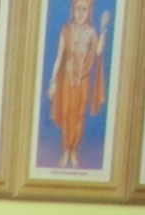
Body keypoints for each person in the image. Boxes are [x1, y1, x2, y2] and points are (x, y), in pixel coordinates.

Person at [46, 0, 108, 166]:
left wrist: (103, 29)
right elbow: (59, 56)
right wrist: (52, 81)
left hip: (83, 80)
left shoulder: (91, 32)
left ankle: (74, 151)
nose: (81, 13)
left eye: (84, 9)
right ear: (73, 10)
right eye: (78, 9)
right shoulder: (66, 30)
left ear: (89, 12)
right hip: (67, 78)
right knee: (66, 113)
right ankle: (66, 149)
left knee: (79, 115)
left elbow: (99, 51)